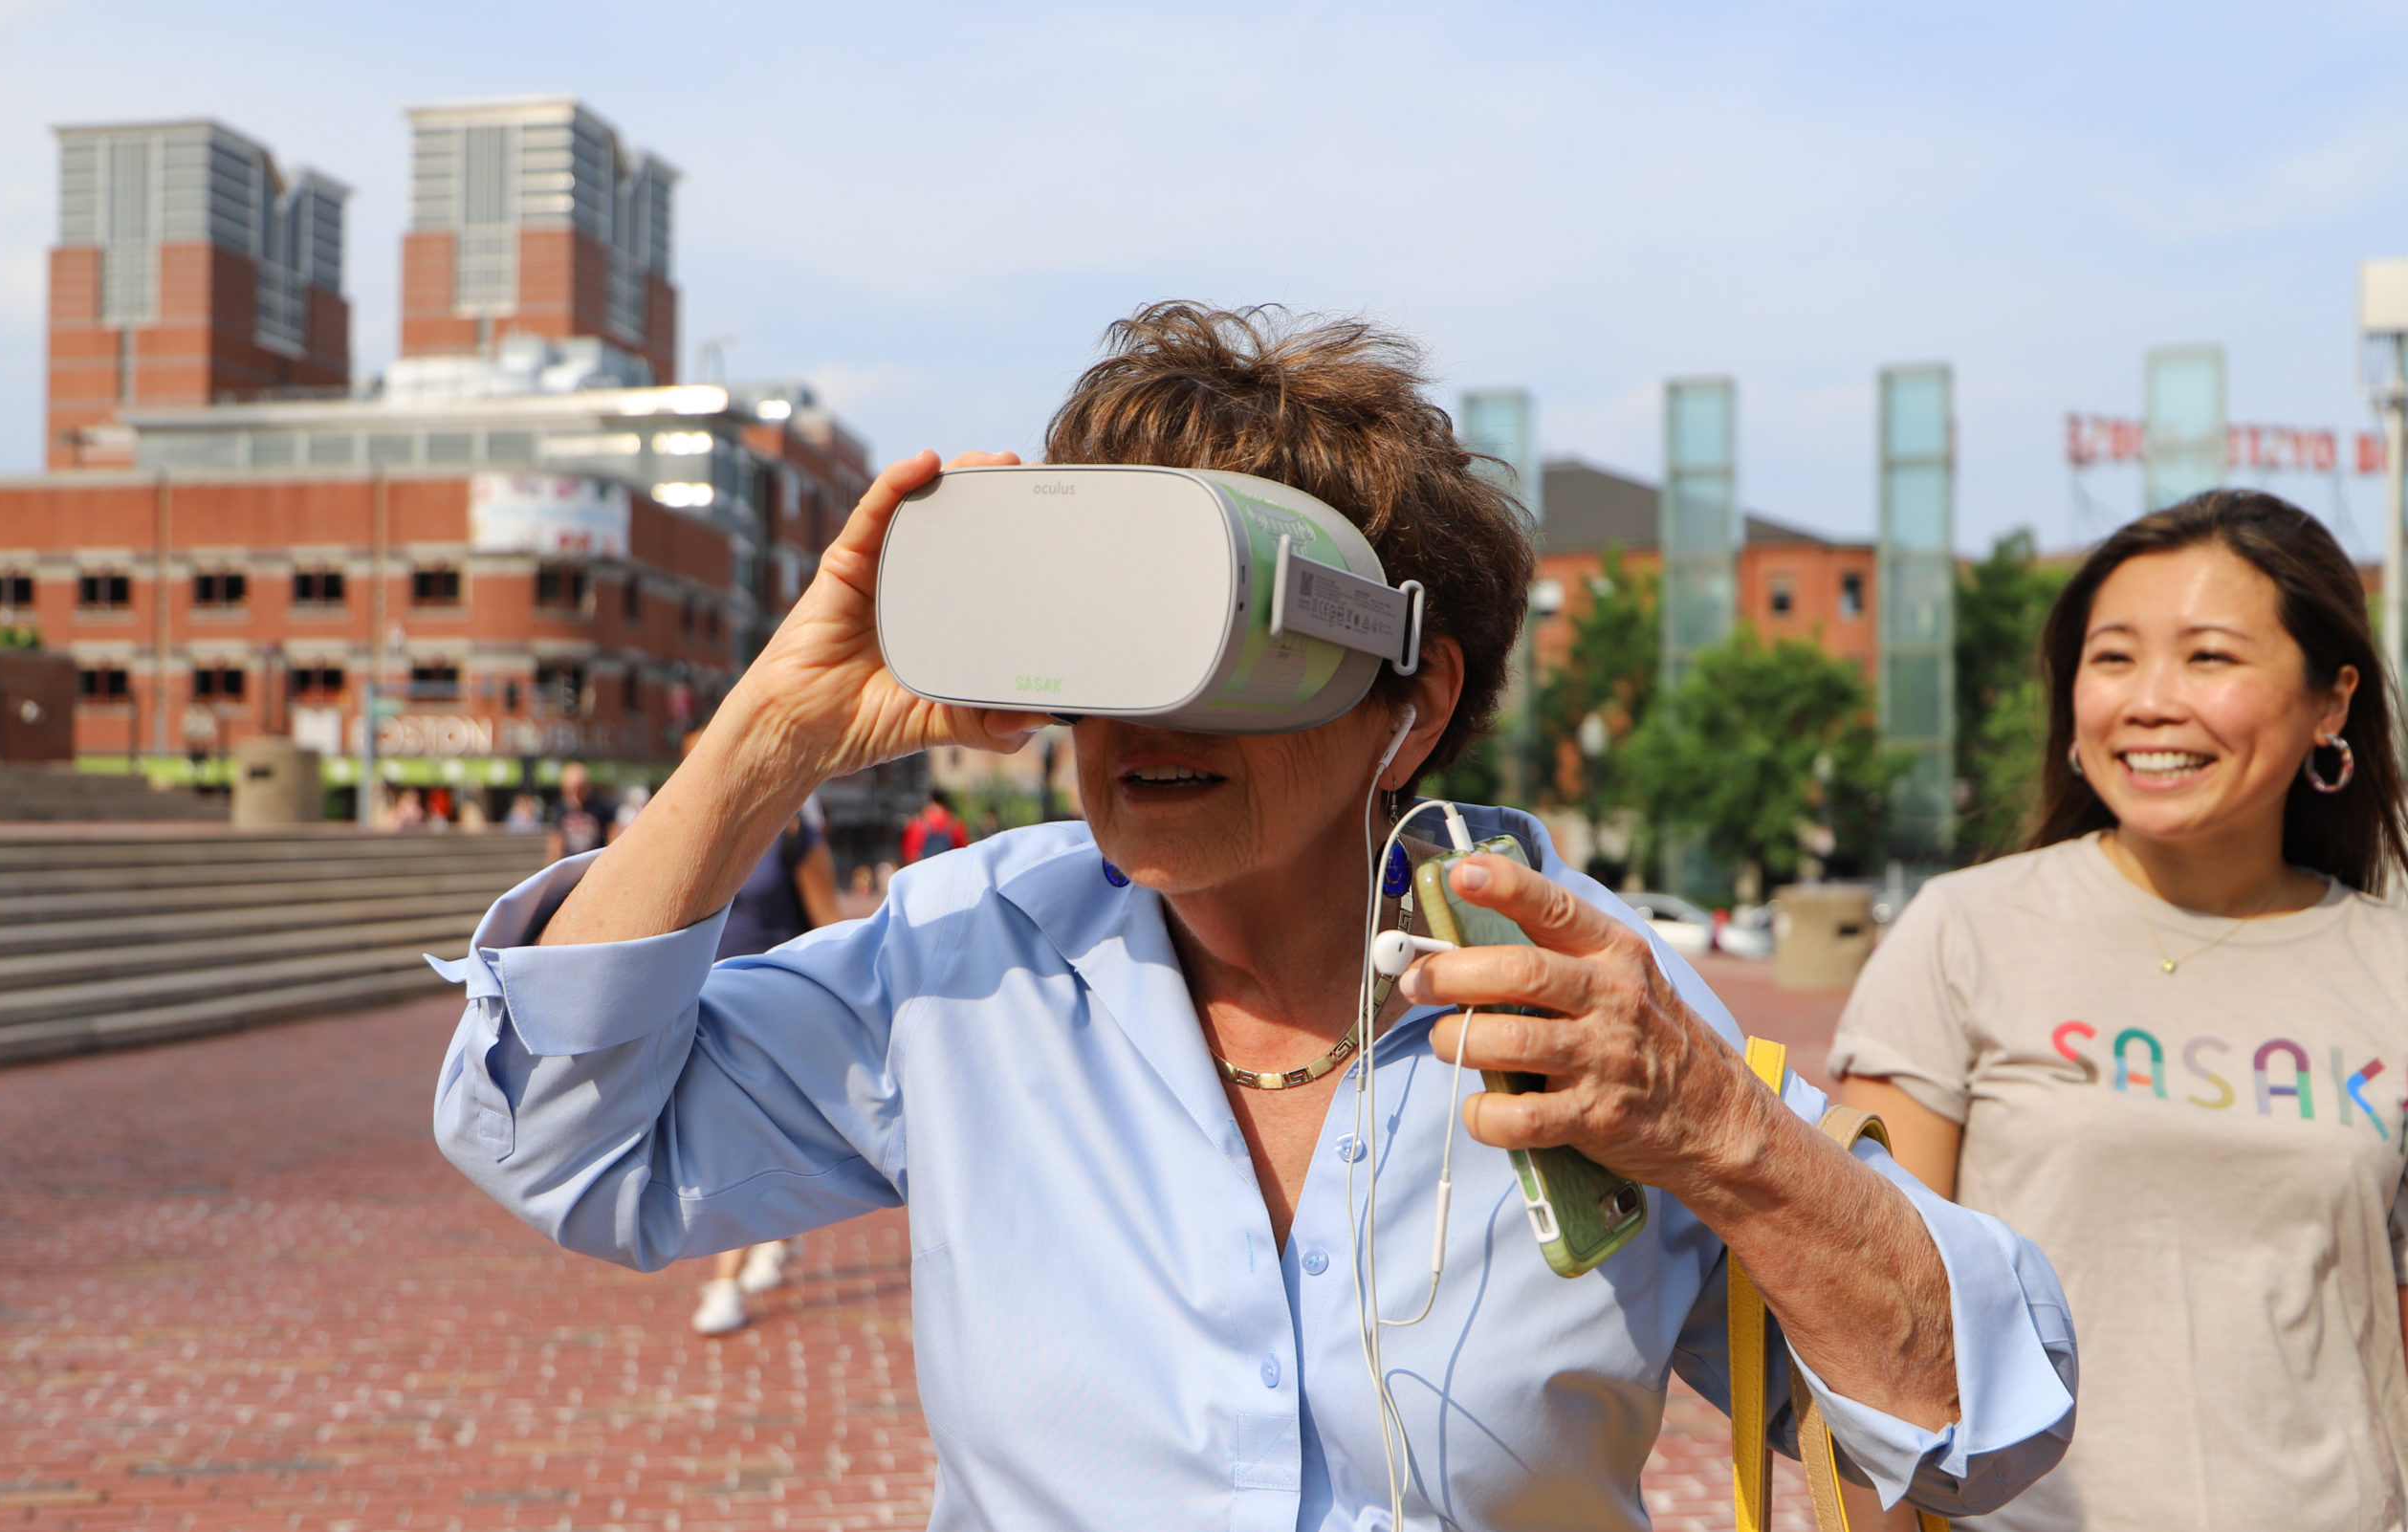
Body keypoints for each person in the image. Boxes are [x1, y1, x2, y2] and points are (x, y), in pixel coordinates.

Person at [434, 302, 2073, 1528]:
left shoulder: (1590, 1004)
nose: (1146, 720)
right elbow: (563, 1143)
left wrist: (1727, 1136)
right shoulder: (970, 958)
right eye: (1106, 638)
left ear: (1409, 703)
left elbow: (1967, 1426)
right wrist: (771, 733)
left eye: (1215, 638)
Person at [1832, 490, 2408, 1531]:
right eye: (2113, 658)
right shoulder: (1965, 932)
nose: (2149, 700)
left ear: (2330, 703)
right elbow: (1875, 1312)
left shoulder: (2390, 969)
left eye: (2208, 657)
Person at [684, 736, 844, 1335]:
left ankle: (725, 1282)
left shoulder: (796, 831)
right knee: (739, 1141)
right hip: (702, 1005)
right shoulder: (688, 829)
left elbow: (829, 921)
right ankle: (775, 1228)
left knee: (741, 1144)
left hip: (775, 1010)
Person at [546, 761, 604, 860]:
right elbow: (557, 840)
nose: (576, 797)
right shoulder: (561, 808)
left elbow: (612, 834)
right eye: (570, 791)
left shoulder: (600, 806)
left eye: (580, 790)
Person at [899, 788, 967, 864]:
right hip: (948, 871)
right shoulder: (955, 824)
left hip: (924, 871)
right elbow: (962, 854)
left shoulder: (918, 824)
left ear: (931, 801)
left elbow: (909, 855)